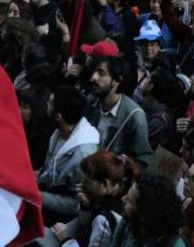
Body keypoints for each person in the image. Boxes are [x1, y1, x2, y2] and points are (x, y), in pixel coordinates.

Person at [45, 152, 140, 247]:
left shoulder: (104, 219)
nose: (82, 185)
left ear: (105, 184)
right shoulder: (122, 190)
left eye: (88, 182)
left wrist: (64, 239)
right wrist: (86, 206)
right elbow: (85, 223)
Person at [38, 85, 100, 223]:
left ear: (58, 116)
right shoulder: (59, 133)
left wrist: (39, 196)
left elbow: (75, 204)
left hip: (61, 219)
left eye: (50, 103)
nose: (46, 104)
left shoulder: (83, 155)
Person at [84, 57, 153, 166]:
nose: (93, 78)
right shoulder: (91, 102)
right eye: (94, 72)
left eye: (101, 74)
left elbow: (143, 159)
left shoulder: (134, 116)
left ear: (117, 80)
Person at [112, 171, 188, 247]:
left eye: (129, 201)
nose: (123, 199)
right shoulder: (126, 225)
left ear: (144, 215)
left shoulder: (173, 244)